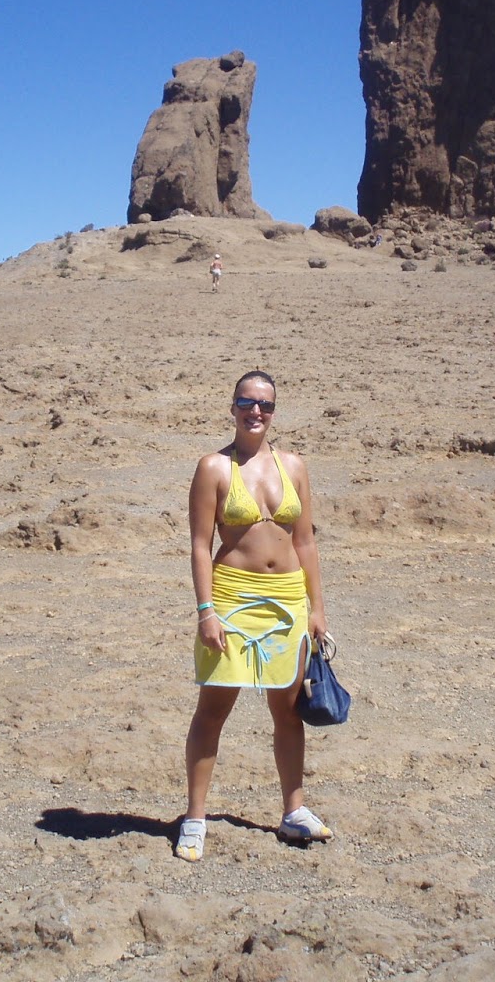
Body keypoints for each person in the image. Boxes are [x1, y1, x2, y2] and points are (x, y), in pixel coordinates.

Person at [176, 369, 331, 862]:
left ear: (274, 411)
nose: (255, 411)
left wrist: (316, 608)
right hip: (233, 599)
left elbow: (305, 542)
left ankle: (293, 811)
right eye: (246, 402)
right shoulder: (213, 468)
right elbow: (200, 546)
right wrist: (206, 611)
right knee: (213, 709)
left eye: (265, 404)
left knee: (288, 710)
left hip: (287, 600)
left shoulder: (294, 466)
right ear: (233, 407)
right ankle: (195, 819)